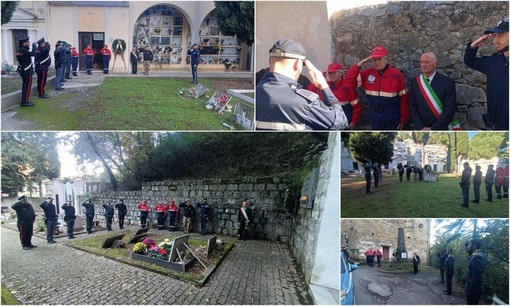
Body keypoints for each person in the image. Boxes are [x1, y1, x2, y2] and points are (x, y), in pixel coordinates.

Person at [256, 39, 348, 131]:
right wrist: (324, 86)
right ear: (297, 64)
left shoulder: (255, 92)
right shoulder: (304, 102)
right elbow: (341, 124)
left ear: (269, 61)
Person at [345, 46, 409, 130]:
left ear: (386, 59)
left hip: (392, 117)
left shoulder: (396, 75)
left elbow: (404, 99)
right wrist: (359, 65)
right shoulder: (367, 74)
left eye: (380, 59)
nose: (377, 62)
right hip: (375, 117)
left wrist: (403, 119)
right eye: (375, 60)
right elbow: (348, 82)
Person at [464, 18, 509, 130]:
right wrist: (474, 46)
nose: (495, 41)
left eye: (500, 35)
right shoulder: (492, 62)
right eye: (495, 36)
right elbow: (470, 61)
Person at [409, 52, 457, 130]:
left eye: (427, 62)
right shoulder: (416, 82)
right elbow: (413, 106)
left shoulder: (447, 82)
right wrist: (421, 127)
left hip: (439, 128)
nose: (423, 65)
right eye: (421, 62)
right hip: (421, 128)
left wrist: (433, 128)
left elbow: (449, 109)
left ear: (435, 64)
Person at [307, 62, 361, 129]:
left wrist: (354, 122)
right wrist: (320, 79)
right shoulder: (326, 85)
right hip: (329, 119)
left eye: (333, 73)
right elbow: (310, 90)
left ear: (340, 73)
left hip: (344, 120)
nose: (331, 75)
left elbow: (356, 106)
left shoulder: (347, 87)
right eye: (329, 73)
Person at [465, 238, 487, 304]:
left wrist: (471, 291)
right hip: (474, 288)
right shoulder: (480, 254)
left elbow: (477, 278)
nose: (467, 247)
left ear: (474, 246)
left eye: (469, 245)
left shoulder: (477, 257)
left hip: (473, 290)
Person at [16, 37, 37, 107]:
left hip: (24, 70)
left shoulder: (21, 50)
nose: (29, 43)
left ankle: (24, 100)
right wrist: (34, 46)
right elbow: (33, 54)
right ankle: (25, 101)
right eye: (27, 42)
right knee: (27, 86)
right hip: (26, 70)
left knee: (25, 85)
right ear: (24, 43)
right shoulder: (23, 50)